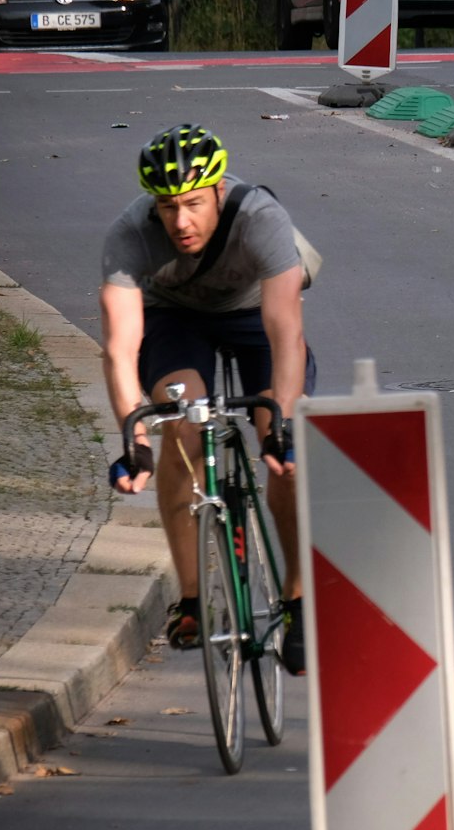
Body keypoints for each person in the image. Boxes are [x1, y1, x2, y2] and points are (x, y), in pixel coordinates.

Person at [101, 125, 315, 673]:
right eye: (168, 207)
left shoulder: (261, 218)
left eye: (194, 204)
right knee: (183, 423)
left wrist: (282, 422)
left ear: (219, 192)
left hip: (253, 318)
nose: (181, 222)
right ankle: (192, 598)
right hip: (176, 318)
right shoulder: (130, 234)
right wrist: (135, 438)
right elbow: (121, 347)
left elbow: (286, 333)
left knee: (283, 451)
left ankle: (295, 599)